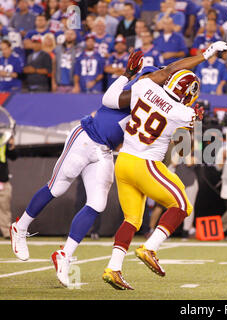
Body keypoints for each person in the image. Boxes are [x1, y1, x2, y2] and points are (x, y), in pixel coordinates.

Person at [10, 62, 159, 286]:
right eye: (151, 79)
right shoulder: (127, 92)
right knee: (57, 187)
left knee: (98, 203)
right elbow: (110, 97)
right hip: (86, 138)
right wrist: (127, 74)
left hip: (104, 151)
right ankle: (20, 227)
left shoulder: (151, 107)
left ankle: (64, 254)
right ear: (141, 79)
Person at [100, 41, 227, 290]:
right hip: (145, 164)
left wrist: (202, 55)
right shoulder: (183, 112)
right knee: (182, 204)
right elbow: (190, 132)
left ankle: (113, 268)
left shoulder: (144, 84)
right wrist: (196, 118)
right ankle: (150, 247)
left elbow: (169, 69)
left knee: (132, 220)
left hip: (123, 161)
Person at [0, 136, 16, 239]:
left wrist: (11, 145)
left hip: (3, 182)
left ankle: (6, 232)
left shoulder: (3, 140)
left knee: (5, 209)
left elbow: (14, 156)